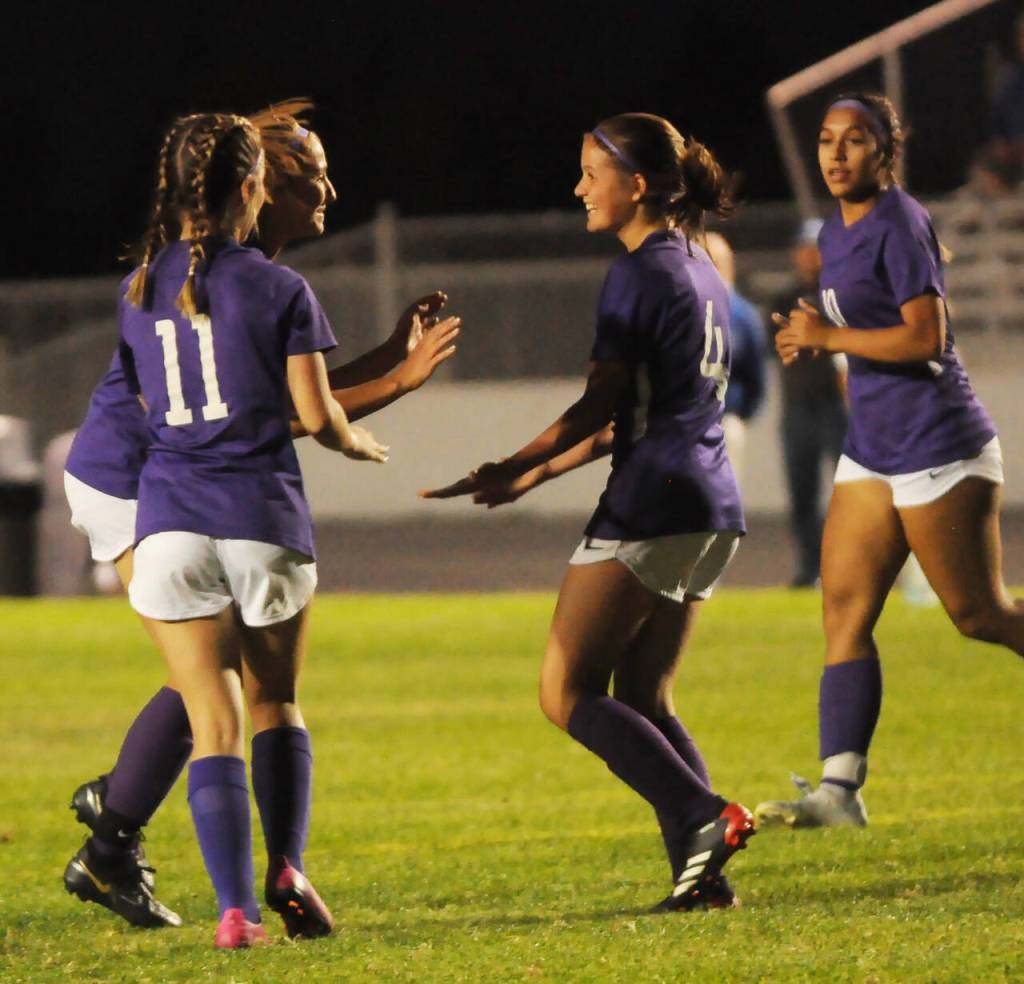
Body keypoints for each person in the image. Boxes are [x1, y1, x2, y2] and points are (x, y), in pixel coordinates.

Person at [62, 106, 457, 946]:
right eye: (311, 174)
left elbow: (263, 397)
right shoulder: (252, 280)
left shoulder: (172, 275)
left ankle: (124, 826)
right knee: (225, 682)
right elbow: (269, 412)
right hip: (129, 480)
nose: (328, 189)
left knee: (215, 680)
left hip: (177, 480)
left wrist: (389, 359)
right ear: (259, 186)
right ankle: (119, 821)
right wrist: (392, 386)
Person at [423, 113, 755, 910]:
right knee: (644, 695)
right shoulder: (704, 267)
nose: (579, 188)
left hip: (654, 500)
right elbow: (636, 413)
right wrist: (535, 479)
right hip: (713, 505)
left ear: (636, 185)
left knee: (564, 689)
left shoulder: (638, 272)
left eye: (590, 173)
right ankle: (702, 874)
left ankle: (700, 814)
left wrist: (517, 460)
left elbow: (597, 404)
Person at [756, 92, 1020, 829]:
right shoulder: (838, 229)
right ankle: (839, 791)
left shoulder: (899, 219)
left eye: (856, 141)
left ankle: (840, 790)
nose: (837, 154)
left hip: (938, 444)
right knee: (844, 608)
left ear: (886, 151)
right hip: (873, 449)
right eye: (827, 140)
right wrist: (812, 338)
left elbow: (924, 340)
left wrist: (829, 340)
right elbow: (848, 332)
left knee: (979, 615)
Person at [768, 218, 847, 587]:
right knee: (803, 492)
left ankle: (850, 566)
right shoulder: (783, 300)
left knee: (849, 491)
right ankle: (811, 568)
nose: (808, 257)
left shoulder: (841, 296)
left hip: (838, 405)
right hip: (798, 405)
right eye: (803, 249)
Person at [703, 231, 766, 487]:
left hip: (725, 420)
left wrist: (738, 416)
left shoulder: (742, 316)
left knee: (722, 496)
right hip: (685, 425)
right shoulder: (681, 310)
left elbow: (756, 376)